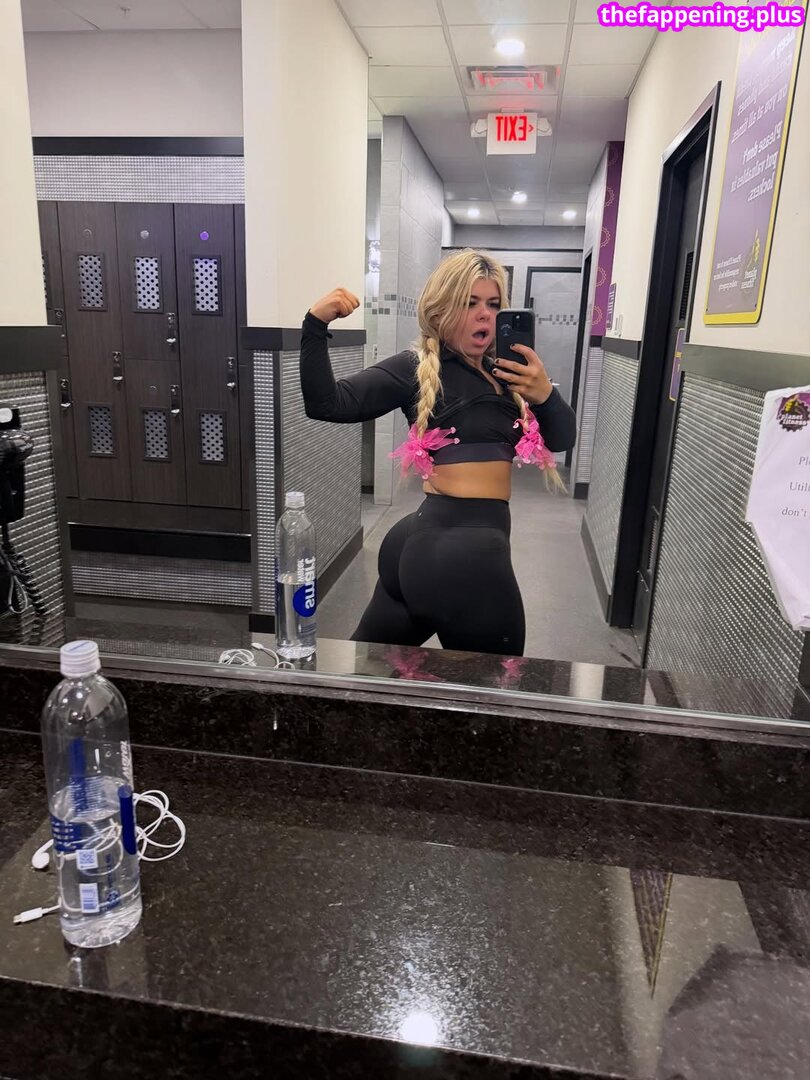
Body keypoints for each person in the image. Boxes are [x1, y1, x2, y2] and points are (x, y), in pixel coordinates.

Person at [299, 249, 577, 656]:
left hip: (421, 545)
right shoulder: (415, 367)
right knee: (497, 689)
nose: (484, 315)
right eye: (469, 303)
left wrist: (545, 394)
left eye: (493, 304)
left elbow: (563, 439)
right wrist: (315, 325)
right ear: (441, 309)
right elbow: (327, 404)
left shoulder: (510, 374)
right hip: (464, 559)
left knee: (366, 672)